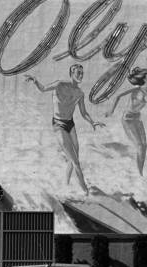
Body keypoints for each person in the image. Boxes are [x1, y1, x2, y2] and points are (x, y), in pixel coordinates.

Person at [25, 64, 105, 196]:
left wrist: (92, 121)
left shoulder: (80, 93)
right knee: (76, 162)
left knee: (73, 160)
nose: (80, 75)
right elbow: (43, 89)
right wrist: (35, 81)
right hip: (58, 125)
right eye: (78, 73)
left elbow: (83, 112)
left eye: (82, 73)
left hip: (70, 124)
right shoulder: (60, 84)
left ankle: (66, 185)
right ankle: (85, 191)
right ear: (71, 73)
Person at [105, 67, 147, 176]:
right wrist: (111, 111)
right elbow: (118, 96)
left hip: (137, 119)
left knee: (144, 146)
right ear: (144, 80)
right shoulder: (136, 90)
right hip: (127, 119)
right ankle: (139, 173)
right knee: (140, 146)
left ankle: (140, 171)